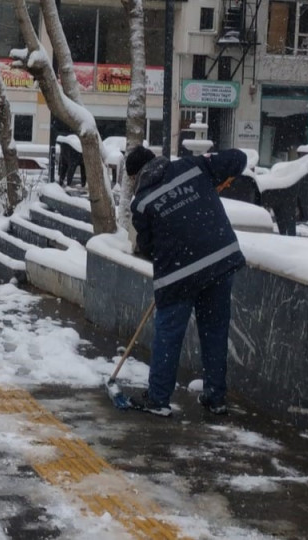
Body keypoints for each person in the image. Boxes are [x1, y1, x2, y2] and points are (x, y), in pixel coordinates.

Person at [125, 146, 248, 417]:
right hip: (219, 261)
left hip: (178, 275)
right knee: (215, 331)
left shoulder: (142, 203)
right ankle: (215, 397)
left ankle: (158, 399)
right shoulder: (193, 166)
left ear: (135, 176)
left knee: (169, 335)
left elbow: (146, 247)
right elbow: (239, 158)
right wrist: (218, 179)